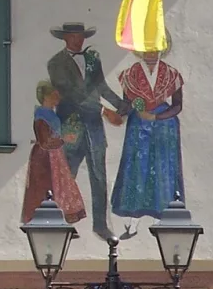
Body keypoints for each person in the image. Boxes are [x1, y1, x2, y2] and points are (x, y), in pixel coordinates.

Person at [46, 22, 128, 241]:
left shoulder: (92, 59)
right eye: (73, 37)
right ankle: (58, 220)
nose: (77, 40)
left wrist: (121, 105)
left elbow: (100, 86)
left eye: (80, 36)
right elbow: (71, 95)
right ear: (65, 38)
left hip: (94, 127)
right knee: (67, 174)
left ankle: (100, 225)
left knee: (99, 176)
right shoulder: (55, 63)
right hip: (71, 126)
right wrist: (106, 111)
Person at [108, 48, 185, 221]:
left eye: (154, 51)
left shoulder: (172, 74)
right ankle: (132, 215)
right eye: (147, 51)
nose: (151, 55)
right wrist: (117, 114)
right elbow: (127, 104)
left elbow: (177, 105)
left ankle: (163, 213)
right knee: (136, 166)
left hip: (164, 127)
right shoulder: (130, 75)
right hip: (139, 126)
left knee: (162, 167)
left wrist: (157, 116)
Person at [21, 81, 88, 226]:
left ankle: (61, 218)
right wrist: (63, 139)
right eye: (54, 96)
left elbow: (53, 135)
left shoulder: (50, 114)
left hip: (54, 155)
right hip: (44, 158)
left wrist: (65, 136)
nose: (57, 99)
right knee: (47, 186)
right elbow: (45, 142)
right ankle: (44, 220)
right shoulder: (41, 117)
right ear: (46, 97)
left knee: (60, 185)